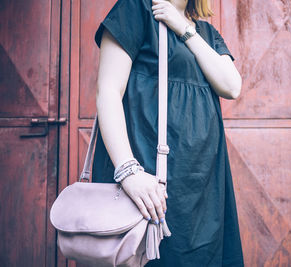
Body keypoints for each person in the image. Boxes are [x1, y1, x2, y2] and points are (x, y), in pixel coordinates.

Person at [92, 0, 244, 266]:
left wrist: (183, 28)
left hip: (202, 188)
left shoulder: (206, 33)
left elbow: (231, 86)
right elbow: (108, 91)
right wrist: (129, 171)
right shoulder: (136, 10)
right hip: (148, 179)